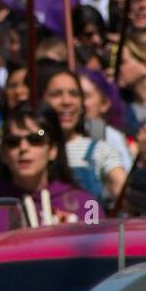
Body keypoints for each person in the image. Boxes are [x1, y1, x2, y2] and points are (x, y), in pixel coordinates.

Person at [0, 105, 95, 236]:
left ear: (52, 150)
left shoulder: (86, 204)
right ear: (3, 154)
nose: (23, 147)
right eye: (12, 142)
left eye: (35, 139)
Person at [41, 67, 127, 202]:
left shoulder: (100, 149)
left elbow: (125, 197)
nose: (66, 101)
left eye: (74, 94)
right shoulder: (31, 145)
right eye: (57, 94)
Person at [79, 67, 134, 172]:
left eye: (86, 96)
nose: (79, 102)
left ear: (104, 104)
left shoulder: (109, 136)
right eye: (76, 95)